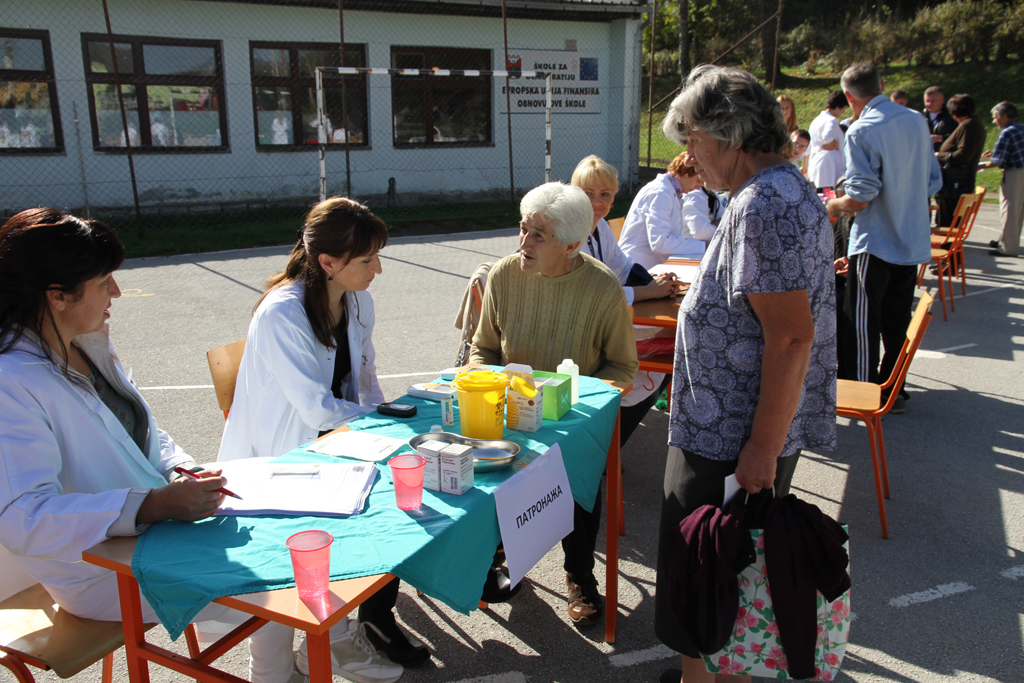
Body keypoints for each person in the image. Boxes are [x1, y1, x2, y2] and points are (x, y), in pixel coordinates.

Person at [0, 208, 303, 683]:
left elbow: (143, 434)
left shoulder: (85, 342)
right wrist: (149, 506)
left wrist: (184, 471)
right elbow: (23, 519)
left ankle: (279, 671)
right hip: (96, 569)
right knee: (276, 578)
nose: (117, 293)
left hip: (150, 533)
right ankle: (278, 674)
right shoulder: (11, 382)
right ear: (57, 296)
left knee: (284, 542)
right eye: (104, 282)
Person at [655, 65, 837, 683]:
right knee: (725, 566)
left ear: (727, 133)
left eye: (693, 140)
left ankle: (704, 679)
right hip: (734, 428)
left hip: (729, 437)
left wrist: (761, 447)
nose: (689, 156)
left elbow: (790, 336)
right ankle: (712, 674)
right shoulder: (779, 190)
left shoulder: (765, 204)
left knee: (706, 565)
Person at [217, 197, 417, 680]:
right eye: (367, 259)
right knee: (287, 566)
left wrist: (386, 421)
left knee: (371, 522)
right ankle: (277, 668)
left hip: (336, 445)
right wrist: (386, 422)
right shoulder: (282, 313)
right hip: (279, 462)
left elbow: (366, 381)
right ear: (328, 262)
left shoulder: (358, 301)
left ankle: (333, 639)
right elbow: (316, 409)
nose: (378, 269)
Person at [471, 182, 638, 627]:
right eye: (523, 229)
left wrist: (575, 401)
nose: (523, 243)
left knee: (580, 477)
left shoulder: (602, 288)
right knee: (485, 472)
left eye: (538, 235)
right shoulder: (504, 275)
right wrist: (489, 380)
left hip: (573, 419)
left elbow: (623, 368)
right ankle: (497, 558)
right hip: (511, 414)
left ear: (571, 245)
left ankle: (580, 575)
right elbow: (483, 348)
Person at [828, 63, 941, 415]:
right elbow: (933, 180)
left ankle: (863, 393)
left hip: (876, 241)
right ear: (882, 85)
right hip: (910, 238)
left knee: (862, 322)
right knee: (896, 318)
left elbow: (861, 196)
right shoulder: (916, 120)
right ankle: (894, 389)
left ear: (849, 97)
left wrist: (834, 206)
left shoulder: (862, 129)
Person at [570, 155, 682, 444]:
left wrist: (654, 281)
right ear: (573, 192)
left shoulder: (600, 227)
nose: (597, 202)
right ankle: (607, 447)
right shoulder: (570, 233)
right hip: (580, 335)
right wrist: (649, 292)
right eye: (588, 193)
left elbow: (621, 268)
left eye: (605, 194)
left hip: (601, 321)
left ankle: (610, 442)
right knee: (658, 363)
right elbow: (593, 293)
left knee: (670, 351)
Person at [619, 153, 709, 268]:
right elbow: (660, 243)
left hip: (648, 265)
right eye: (698, 181)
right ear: (685, 171)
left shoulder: (669, 191)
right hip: (636, 268)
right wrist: (703, 246)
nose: (698, 187)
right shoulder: (661, 193)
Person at [934, 94, 986, 229]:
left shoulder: (969, 125)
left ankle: (946, 243)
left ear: (954, 112)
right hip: (957, 183)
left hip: (955, 183)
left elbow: (964, 154)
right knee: (948, 222)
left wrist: (940, 156)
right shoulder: (971, 123)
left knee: (946, 224)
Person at [981, 101, 1024, 257]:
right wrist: (995, 155)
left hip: (1015, 174)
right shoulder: (1021, 128)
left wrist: (978, 166)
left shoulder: (1007, 132)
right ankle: (1006, 240)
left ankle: (1008, 248)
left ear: (1005, 116)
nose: (994, 121)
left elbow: (997, 162)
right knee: (1018, 211)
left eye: (995, 117)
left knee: (1009, 211)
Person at [807, 90, 849, 191]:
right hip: (829, 166)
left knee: (820, 192)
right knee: (829, 192)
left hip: (816, 162)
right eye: (844, 109)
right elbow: (827, 136)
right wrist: (834, 144)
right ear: (838, 107)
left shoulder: (816, 120)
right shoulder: (831, 120)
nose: (843, 112)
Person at [921, 85, 957, 152]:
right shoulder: (920, 117)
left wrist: (942, 138)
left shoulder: (953, 115)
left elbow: (960, 137)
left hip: (946, 155)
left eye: (933, 101)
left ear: (942, 99)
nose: (930, 104)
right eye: (927, 101)